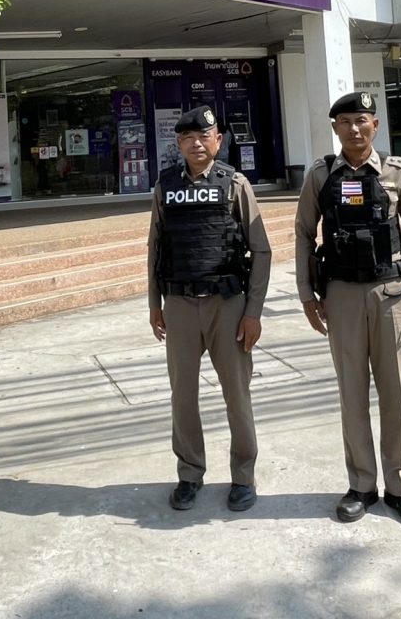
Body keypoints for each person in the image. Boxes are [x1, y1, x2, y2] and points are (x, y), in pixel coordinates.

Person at [294, 91, 401, 529]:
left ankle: (400, 488)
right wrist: (306, 295)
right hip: (340, 295)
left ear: (375, 125)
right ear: (335, 128)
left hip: (390, 293)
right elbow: (304, 234)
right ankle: (361, 485)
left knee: (395, 394)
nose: (354, 129)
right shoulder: (320, 175)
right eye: (345, 122)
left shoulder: (397, 171)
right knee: (352, 393)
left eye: (362, 120)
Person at [148, 104, 272, 512]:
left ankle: (243, 477)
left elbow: (261, 250)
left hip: (227, 305)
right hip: (179, 303)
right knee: (182, 396)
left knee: (237, 394)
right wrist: (154, 304)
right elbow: (155, 248)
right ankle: (189, 474)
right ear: (178, 144)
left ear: (218, 140)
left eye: (204, 136)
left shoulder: (235, 184)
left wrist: (253, 312)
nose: (197, 144)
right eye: (188, 138)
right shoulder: (165, 186)